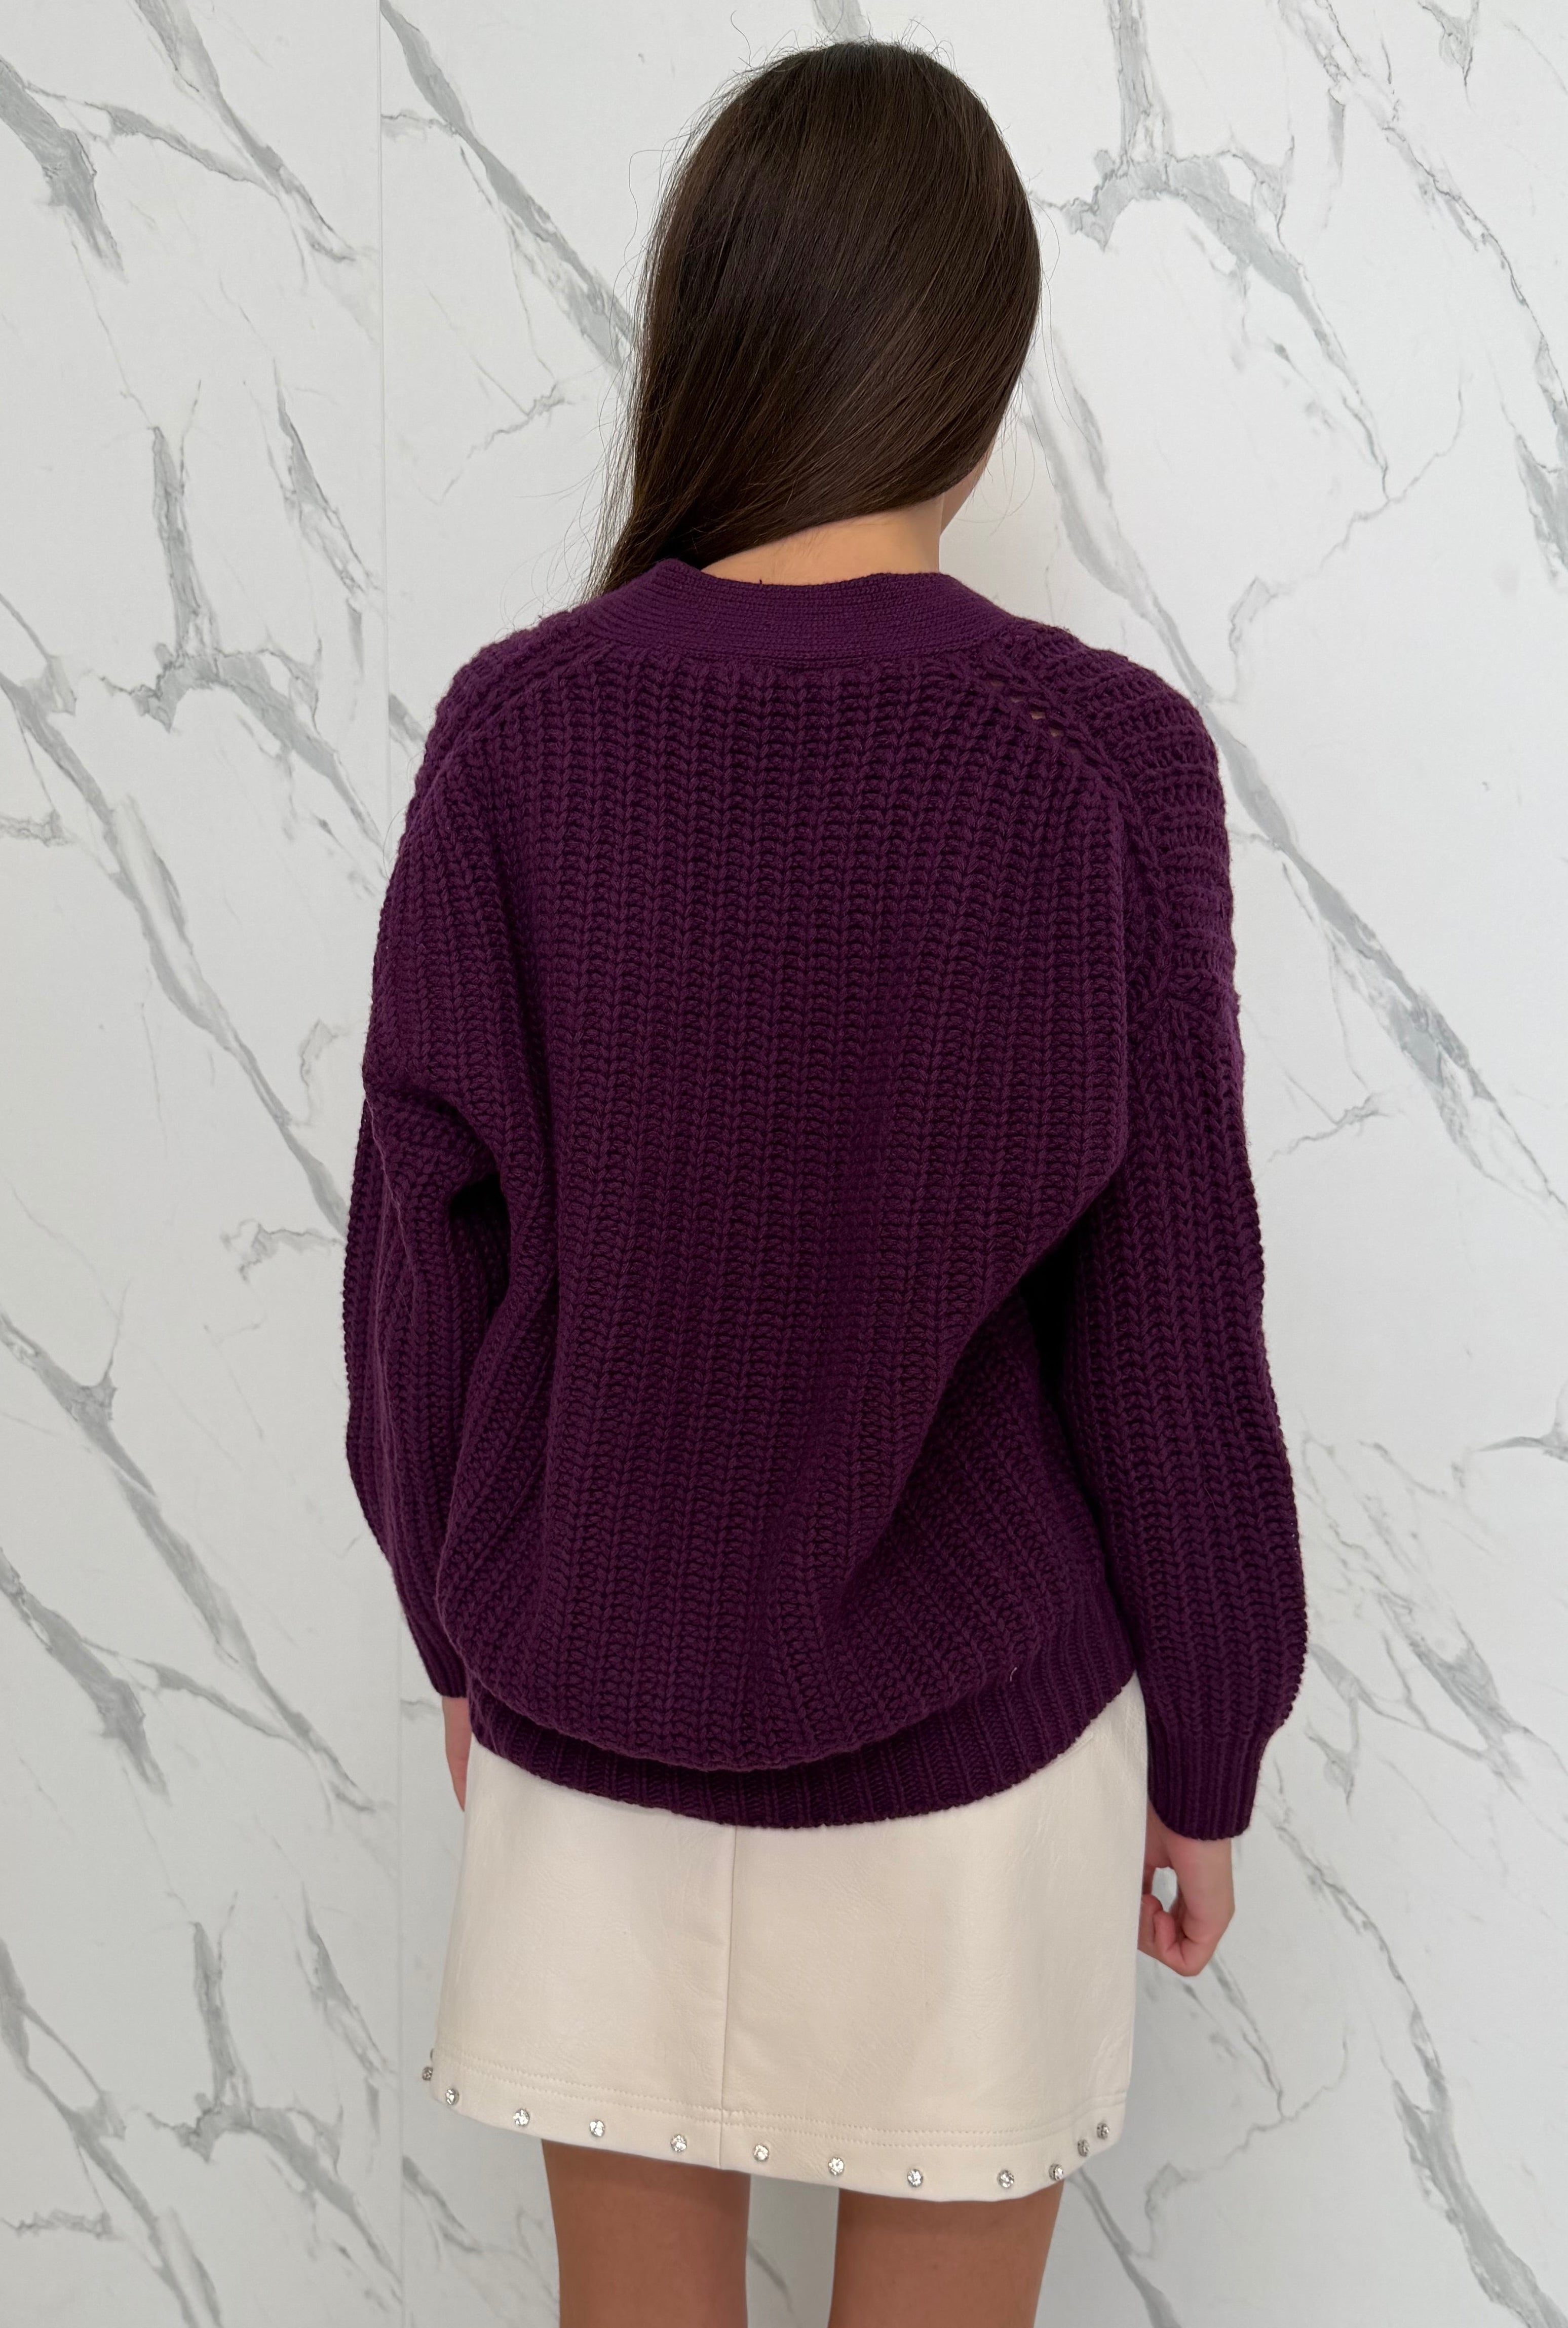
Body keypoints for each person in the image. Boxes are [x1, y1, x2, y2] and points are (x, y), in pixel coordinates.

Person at [341, 35, 1309, 2328]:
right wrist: (1214, 1739)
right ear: (977, 374)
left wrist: (460, 1623)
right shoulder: (1098, 763)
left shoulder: (517, 732)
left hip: (590, 1732)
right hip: (981, 1766)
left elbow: (415, 1260)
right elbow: (1172, 1327)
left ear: (717, 336)